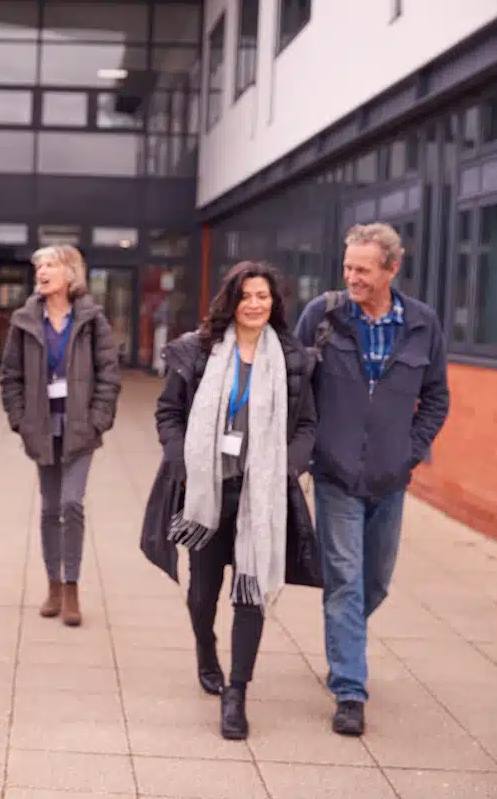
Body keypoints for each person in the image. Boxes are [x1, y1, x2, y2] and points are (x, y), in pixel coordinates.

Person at [147, 260, 321, 740]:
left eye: (263, 296)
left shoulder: (292, 358)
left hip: (261, 497)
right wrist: (180, 457)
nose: (255, 304)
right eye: (247, 296)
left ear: (274, 302)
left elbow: (308, 425)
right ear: (231, 300)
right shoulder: (198, 351)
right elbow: (168, 413)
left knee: (251, 594)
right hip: (208, 493)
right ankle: (206, 649)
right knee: (203, 594)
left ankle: (237, 694)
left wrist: (289, 464)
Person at [295, 223, 449, 737]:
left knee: (374, 582)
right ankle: (349, 691)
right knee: (344, 579)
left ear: (390, 269)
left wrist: (410, 452)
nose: (351, 277)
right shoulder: (324, 315)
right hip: (335, 472)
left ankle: (345, 648)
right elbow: (296, 384)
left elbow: (437, 398)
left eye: (362, 268)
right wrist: (307, 448)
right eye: (347, 267)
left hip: (390, 476)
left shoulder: (423, 324)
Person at [0, 245, 120, 627]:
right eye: (39, 266)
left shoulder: (92, 319)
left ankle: (71, 587)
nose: (43, 272)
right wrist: (21, 420)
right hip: (42, 428)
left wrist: (98, 420)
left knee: (72, 504)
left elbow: (109, 375)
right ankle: (53, 586)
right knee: (50, 509)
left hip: (81, 427)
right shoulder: (24, 320)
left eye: (50, 265)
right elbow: (11, 377)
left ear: (71, 274)